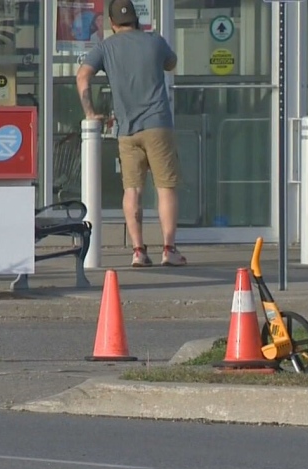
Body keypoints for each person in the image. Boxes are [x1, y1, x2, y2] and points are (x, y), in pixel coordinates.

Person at [75, 0, 186, 268]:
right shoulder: (155, 41)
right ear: (137, 20)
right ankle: (169, 249)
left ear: (112, 24)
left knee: (132, 190)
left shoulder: (105, 47)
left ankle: (138, 250)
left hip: (126, 129)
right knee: (165, 188)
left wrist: (90, 112)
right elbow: (171, 63)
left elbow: (82, 77)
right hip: (158, 124)